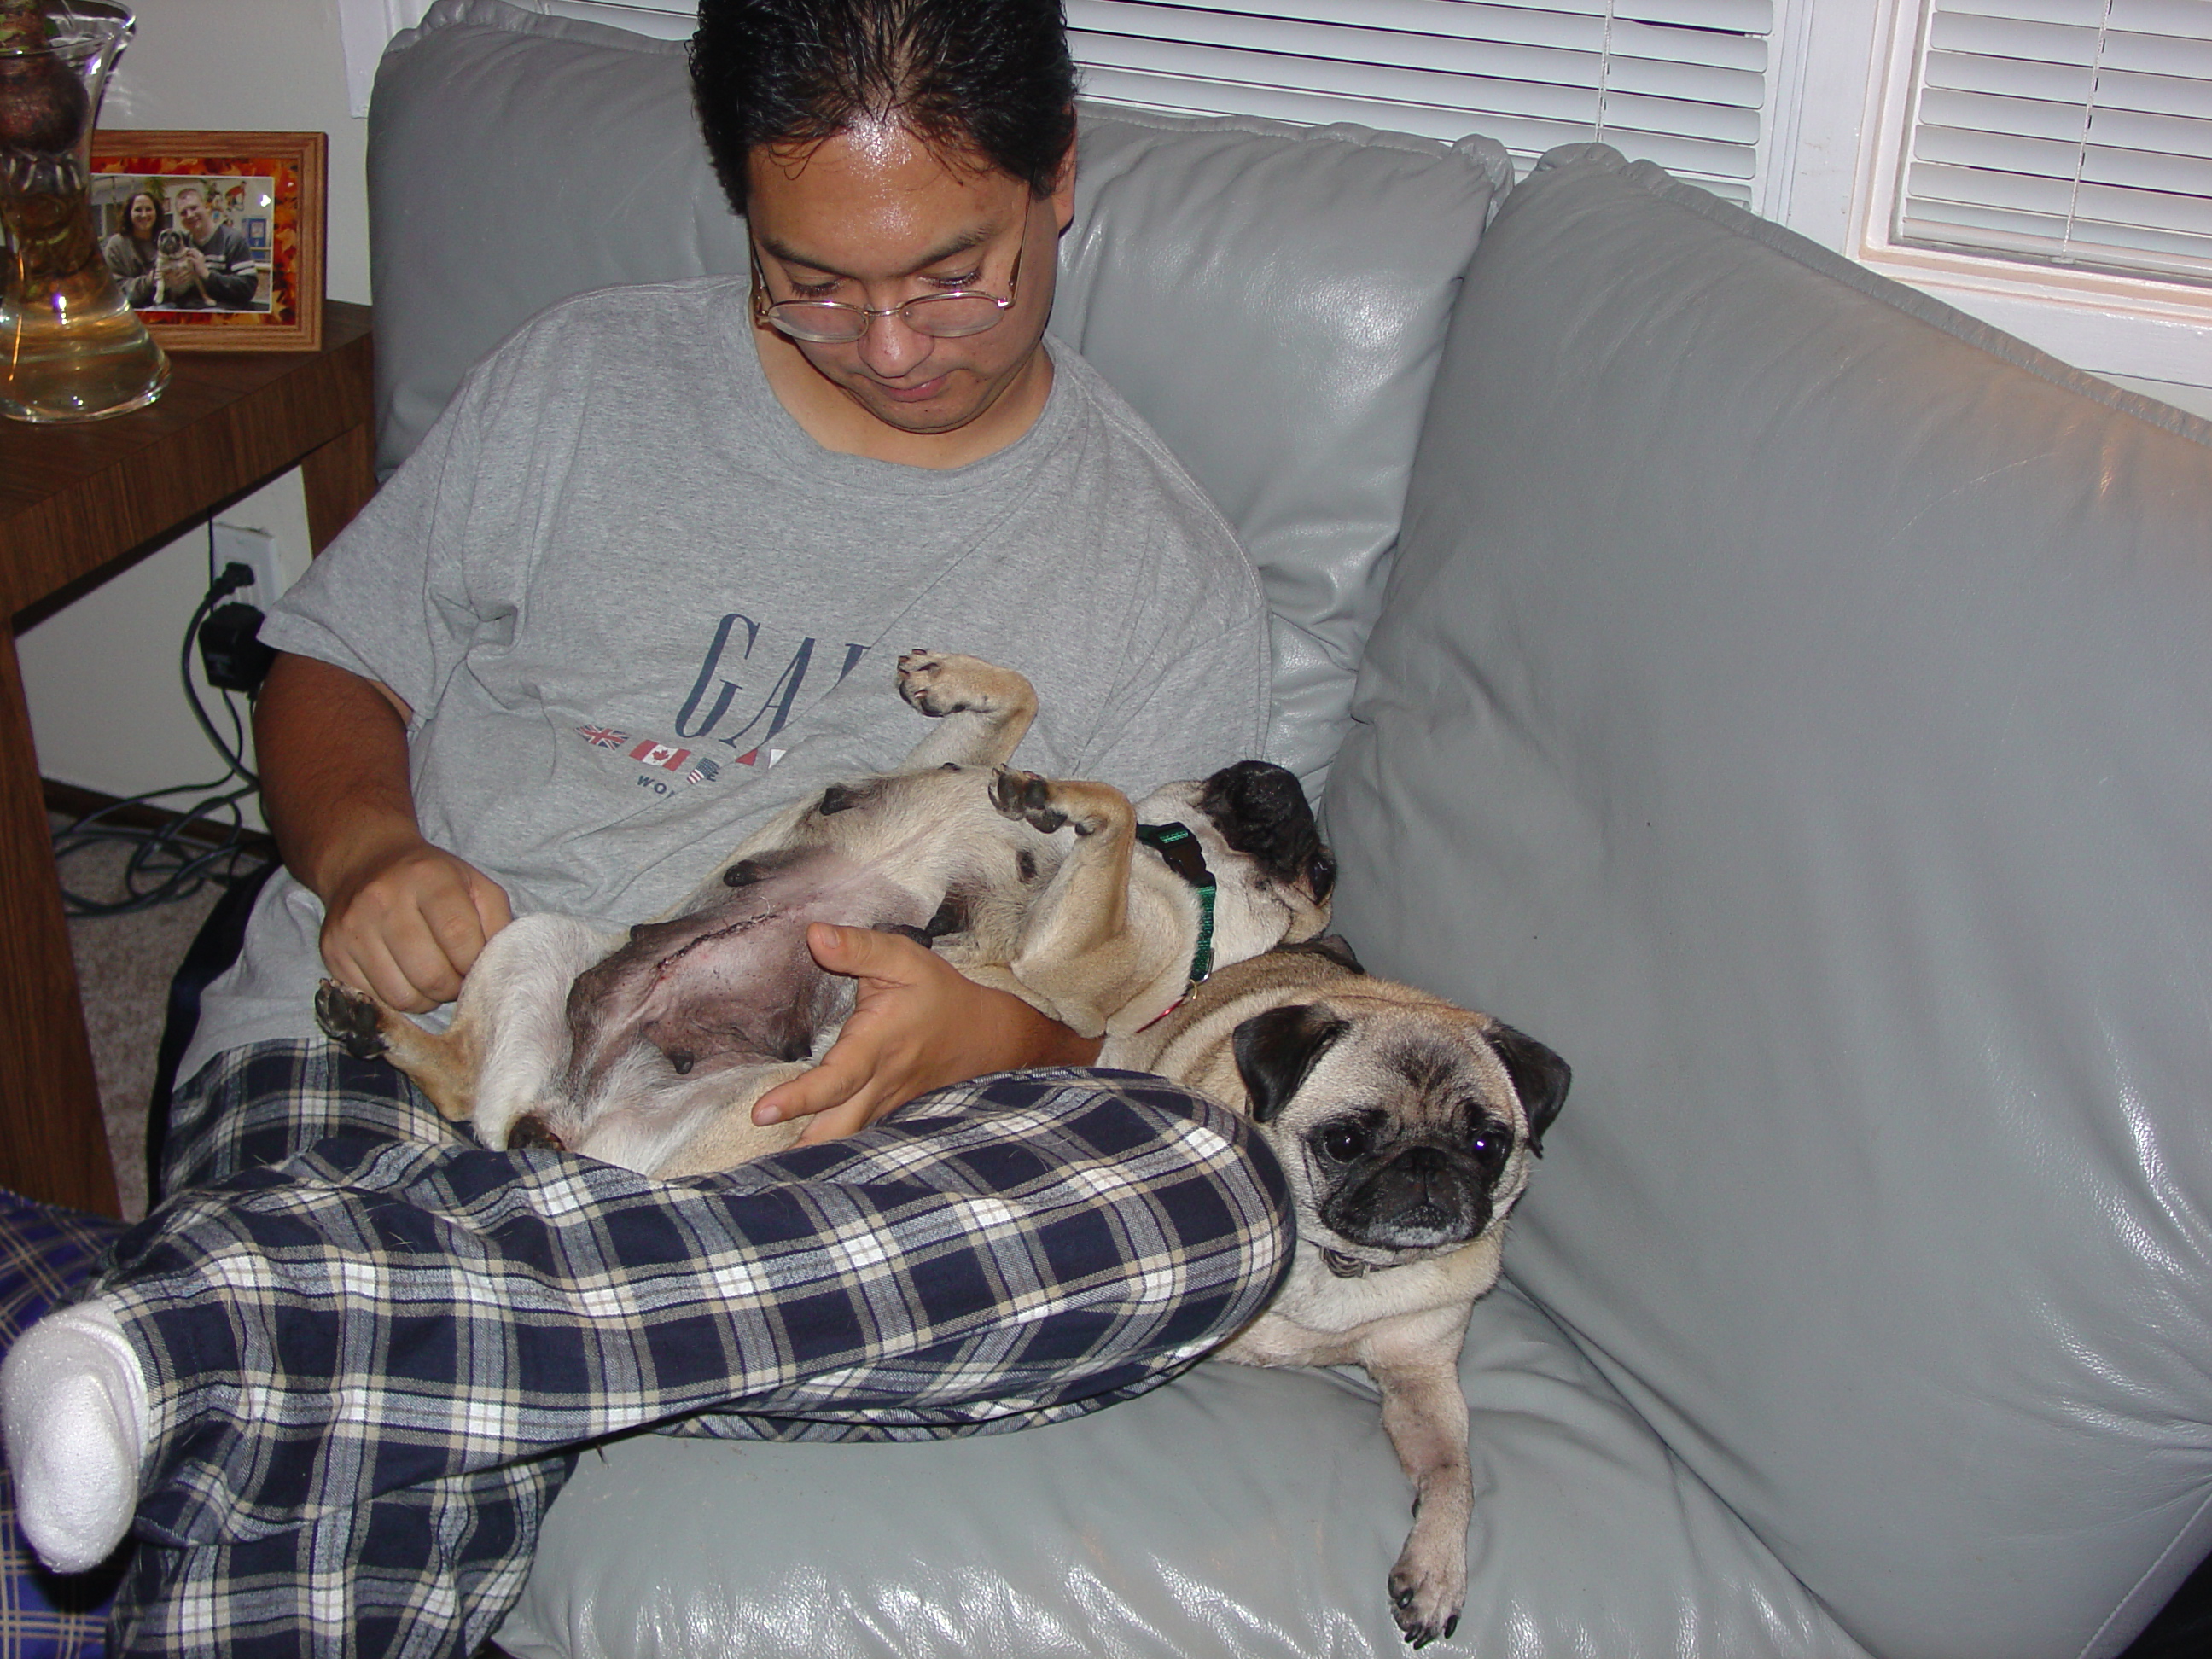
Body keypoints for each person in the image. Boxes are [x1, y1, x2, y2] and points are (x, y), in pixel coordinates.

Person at [0, 2, 1291, 1653]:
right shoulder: (585, 376)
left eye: (951, 277)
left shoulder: (1163, 577)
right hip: (423, 1039)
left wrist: (995, 1039)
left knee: (1209, 1189)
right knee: (368, 1486)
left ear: (1057, 179)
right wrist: (369, 852)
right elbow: (333, 657)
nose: (891, 345)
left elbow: (1158, 1002)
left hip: (769, 1158)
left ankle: (229, 1327)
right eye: (809, 282)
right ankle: (464, 1335)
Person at [148, 180, 258, 310]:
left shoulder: (232, 239)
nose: (190, 215)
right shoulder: (182, 242)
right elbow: (160, 273)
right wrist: (169, 283)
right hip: (187, 307)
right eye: (183, 213)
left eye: (194, 208)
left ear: (206, 207)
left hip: (222, 309)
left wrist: (206, 274)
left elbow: (248, 288)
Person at [100, 185, 163, 306]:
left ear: (156, 213)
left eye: (148, 209)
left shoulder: (165, 240)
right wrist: (148, 281)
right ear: (129, 214)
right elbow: (114, 289)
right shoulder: (116, 245)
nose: (144, 215)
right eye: (138, 210)